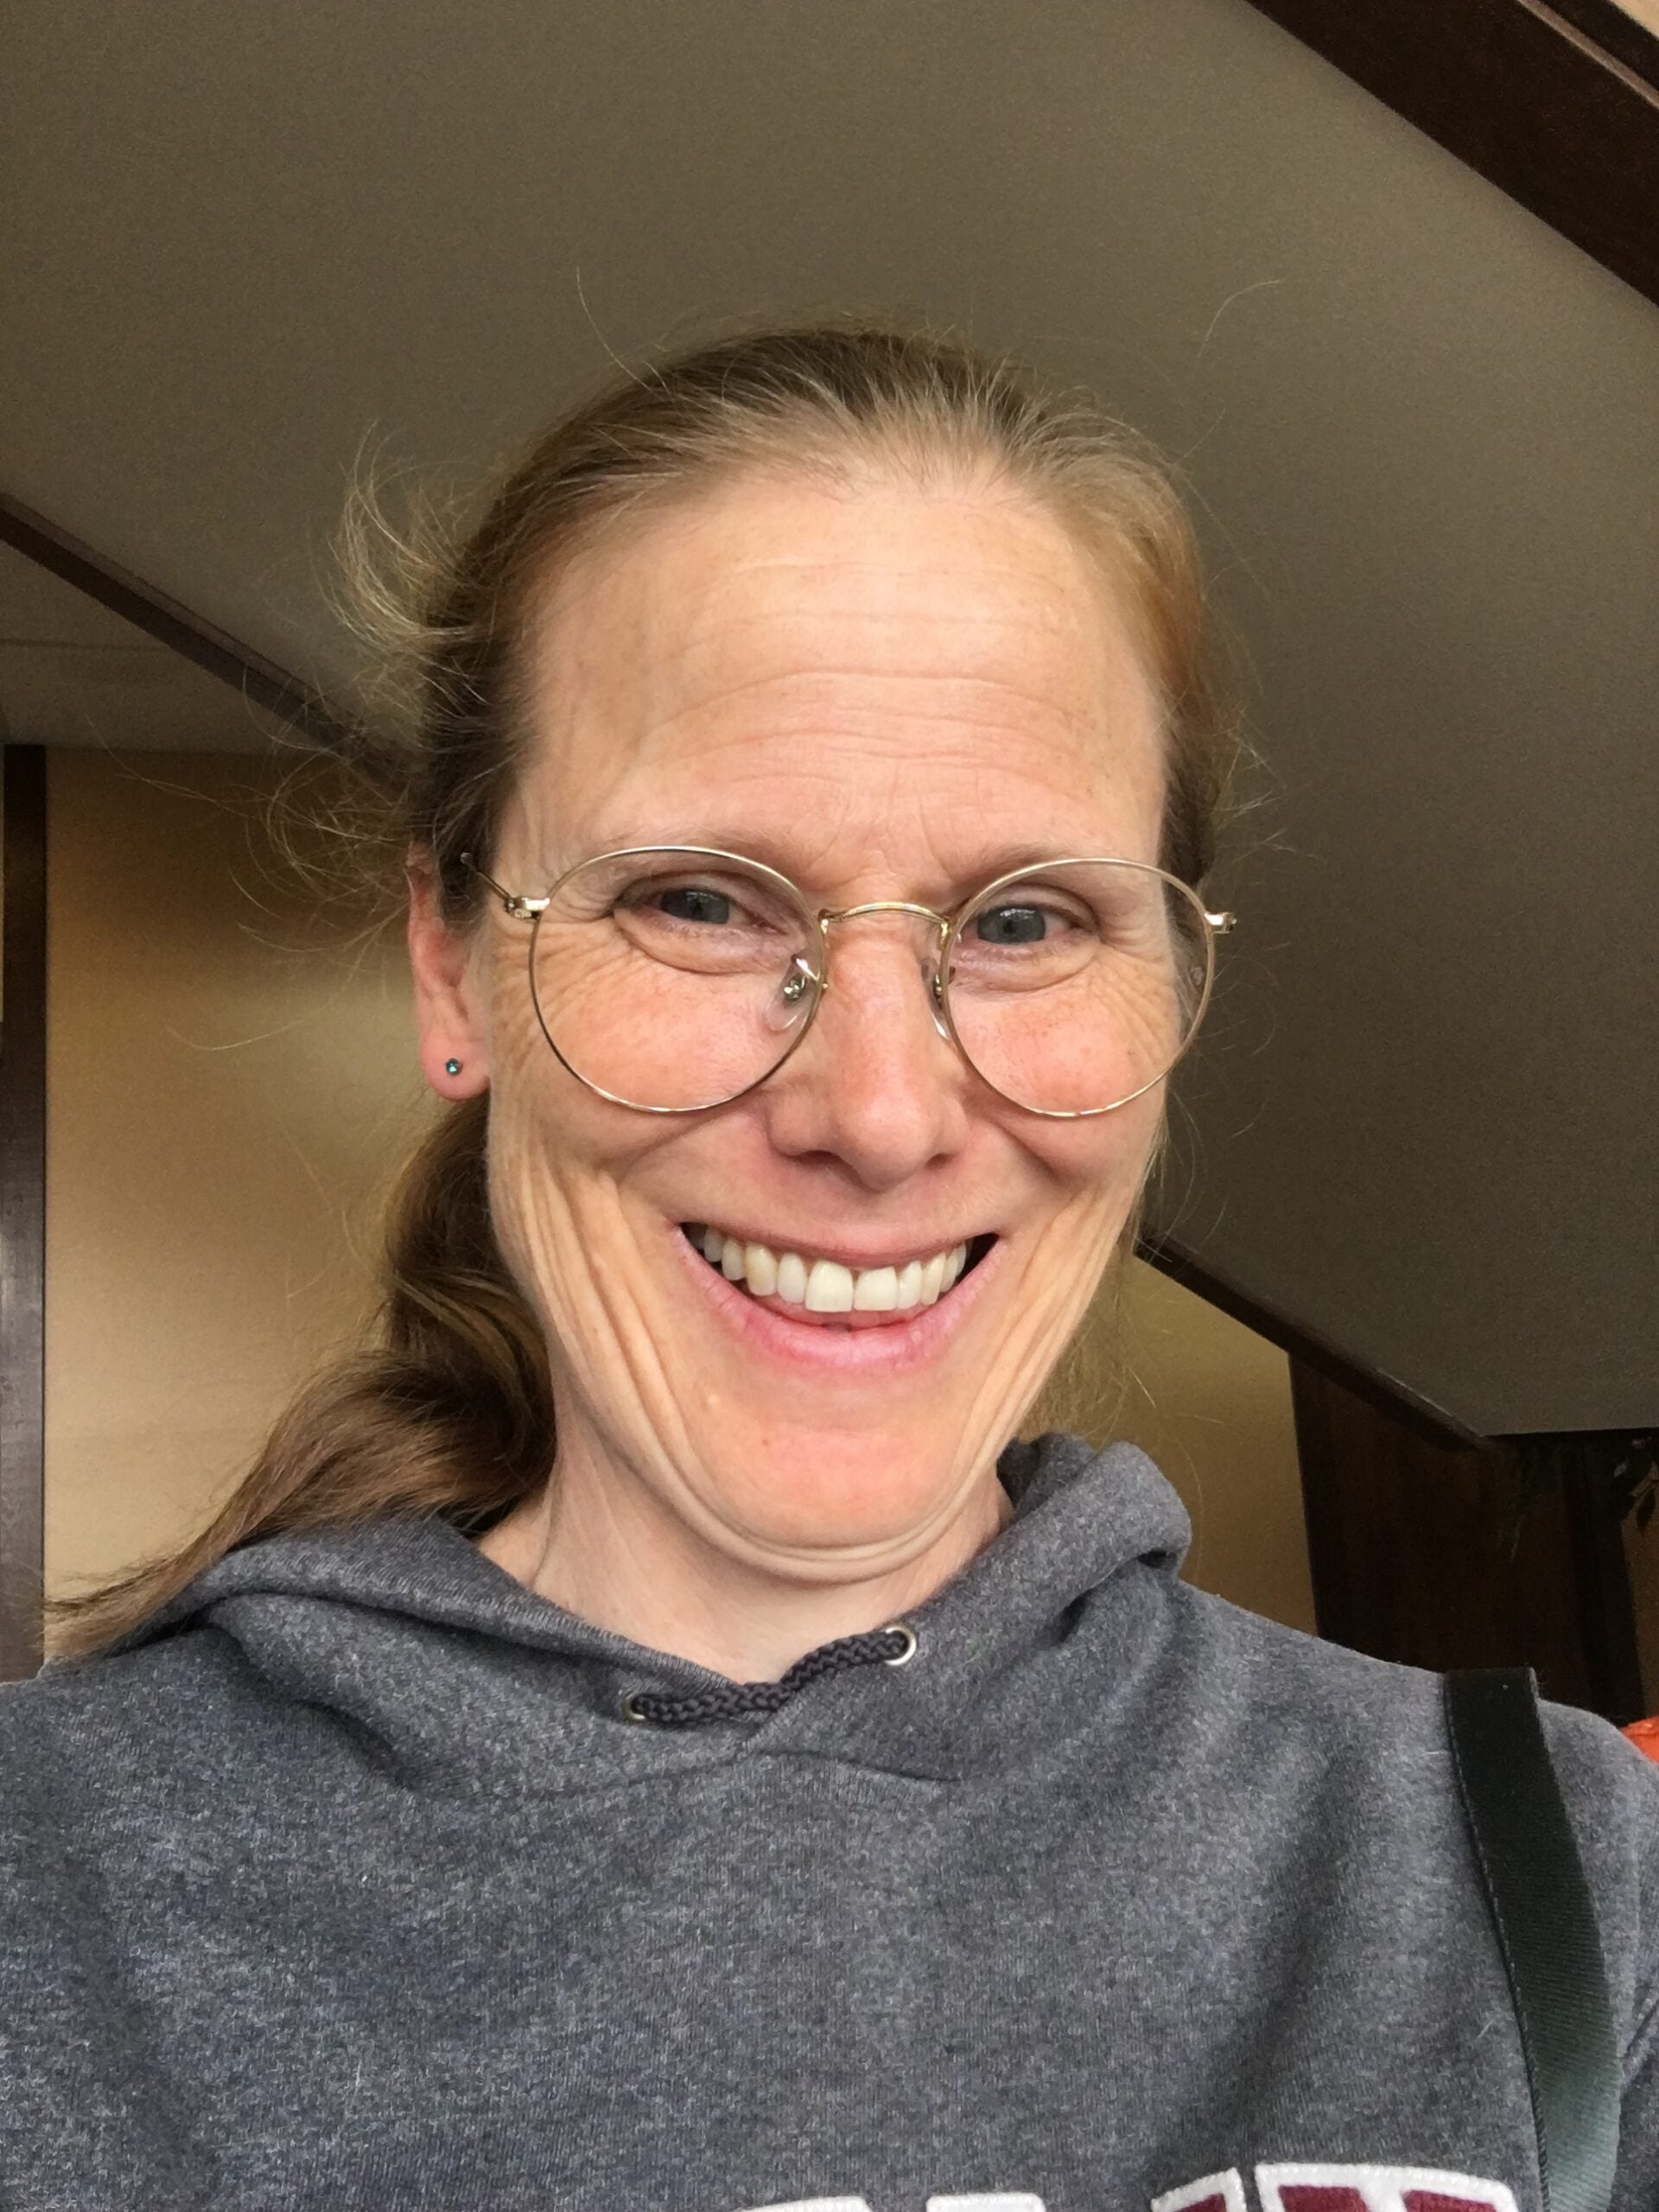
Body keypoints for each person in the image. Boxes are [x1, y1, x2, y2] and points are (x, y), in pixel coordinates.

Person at [1, 322, 1653, 2212]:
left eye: (1025, 920)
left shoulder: (1559, 1882)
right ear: (453, 967)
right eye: (700, 899)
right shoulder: (50, 1911)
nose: (877, 1111)